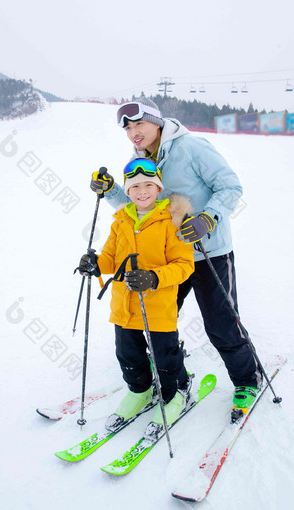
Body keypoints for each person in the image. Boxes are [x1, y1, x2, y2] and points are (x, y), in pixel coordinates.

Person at [90, 96, 262, 412]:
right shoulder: (139, 157)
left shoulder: (192, 147)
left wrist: (207, 218)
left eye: (139, 124)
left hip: (208, 251)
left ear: (157, 121)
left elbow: (230, 187)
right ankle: (169, 368)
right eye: (127, 128)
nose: (133, 132)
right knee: (156, 319)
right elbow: (138, 205)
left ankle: (248, 380)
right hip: (166, 259)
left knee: (220, 323)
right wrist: (112, 188)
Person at [80, 158, 194, 429]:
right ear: (127, 192)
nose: (142, 191)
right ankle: (140, 390)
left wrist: (154, 277)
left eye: (148, 185)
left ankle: (176, 391)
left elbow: (184, 266)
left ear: (158, 189)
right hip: (124, 304)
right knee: (127, 353)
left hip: (158, 303)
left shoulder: (172, 221)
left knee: (165, 354)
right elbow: (110, 257)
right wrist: (95, 264)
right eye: (135, 186)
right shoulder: (121, 220)